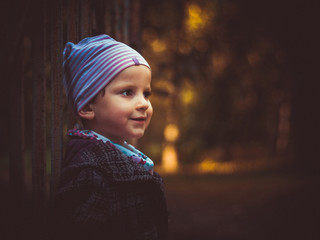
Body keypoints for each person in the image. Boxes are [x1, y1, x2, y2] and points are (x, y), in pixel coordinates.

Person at [52, 34, 168, 240]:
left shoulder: (122, 153)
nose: (143, 103)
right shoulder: (89, 171)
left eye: (146, 93)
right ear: (88, 106)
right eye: (127, 92)